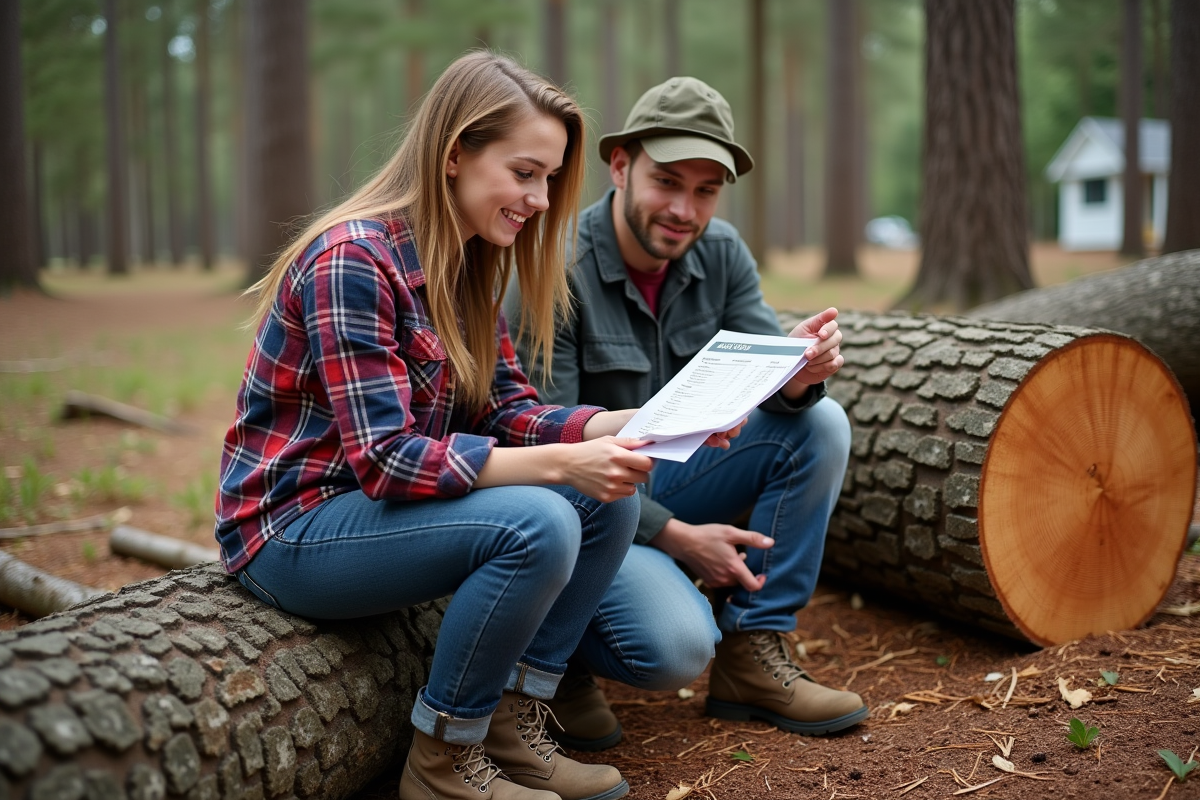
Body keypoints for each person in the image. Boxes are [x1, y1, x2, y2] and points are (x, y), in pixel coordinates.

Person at [213, 53, 707, 800]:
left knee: (611, 501)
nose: (541, 199)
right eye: (525, 172)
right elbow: (386, 460)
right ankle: (442, 760)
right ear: (454, 156)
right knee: (540, 521)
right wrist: (561, 467)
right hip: (294, 529)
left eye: (548, 179)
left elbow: (510, 408)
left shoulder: (469, 266)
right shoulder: (353, 260)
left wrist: (632, 422)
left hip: (381, 514)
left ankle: (513, 719)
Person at [504, 76, 867, 750]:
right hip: (582, 502)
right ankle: (561, 662)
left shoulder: (722, 253)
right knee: (673, 648)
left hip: (667, 478)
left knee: (821, 422)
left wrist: (800, 373)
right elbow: (544, 457)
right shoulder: (551, 267)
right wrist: (675, 534)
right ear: (619, 166)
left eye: (705, 191)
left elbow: (771, 391)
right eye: (667, 182)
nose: (685, 209)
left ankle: (756, 651)